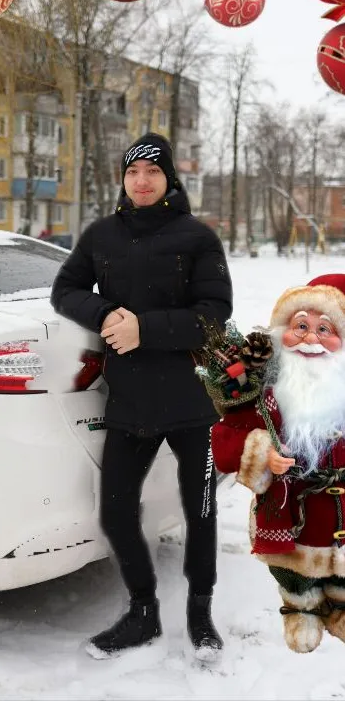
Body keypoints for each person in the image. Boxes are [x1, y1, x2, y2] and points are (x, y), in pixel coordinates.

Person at [51, 132, 232, 660]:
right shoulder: (102, 235)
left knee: (200, 510)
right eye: (133, 173)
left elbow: (214, 314)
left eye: (152, 172)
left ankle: (200, 612)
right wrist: (105, 316)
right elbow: (66, 289)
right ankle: (143, 611)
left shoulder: (197, 237)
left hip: (189, 402)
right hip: (129, 402)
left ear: (169, 178)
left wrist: (144, 329)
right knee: (114, 512)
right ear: (123, 181)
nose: (142, 181)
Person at [211, 274, 345, 654]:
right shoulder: (264, 391)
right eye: (300, 326)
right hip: (291, 509)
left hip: (342, 510)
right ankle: (299, 610)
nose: (311, 338)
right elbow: (225, 439)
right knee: (294, 571)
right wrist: (262, 453)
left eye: (325, 329)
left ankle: (339, 606)